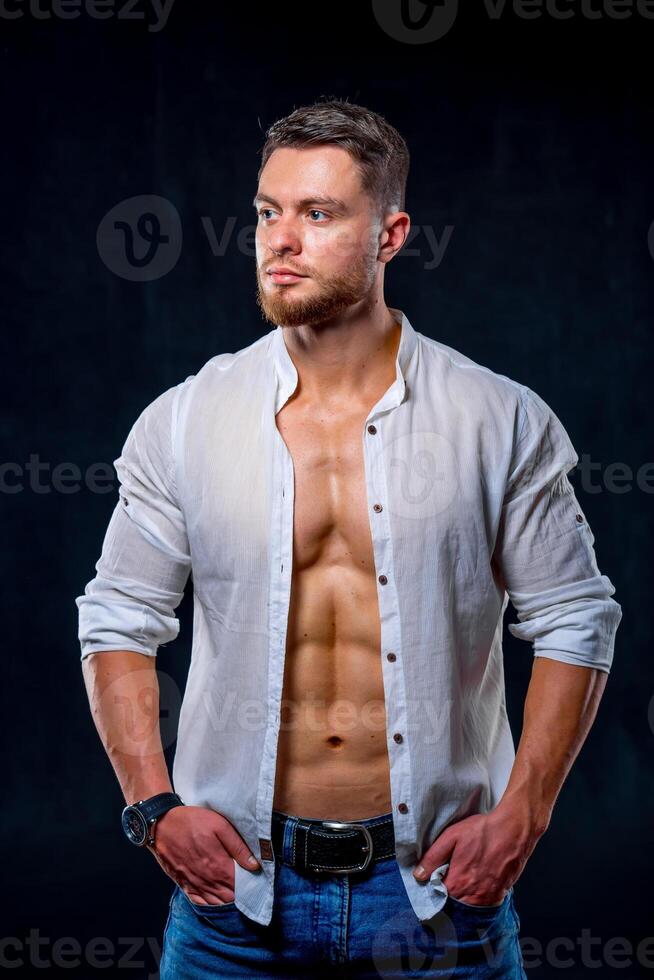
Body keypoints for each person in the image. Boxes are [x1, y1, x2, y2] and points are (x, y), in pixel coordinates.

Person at [76, 98, 622, 979]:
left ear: (391, 234)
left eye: (318, 214)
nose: (279, 240)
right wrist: (151, 805)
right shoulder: (183, 422)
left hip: (438, 898)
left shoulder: (496, 419)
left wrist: (525, 814)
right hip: (237, 897)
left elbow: (575, 618)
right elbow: (117, 618)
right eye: (267, 212)